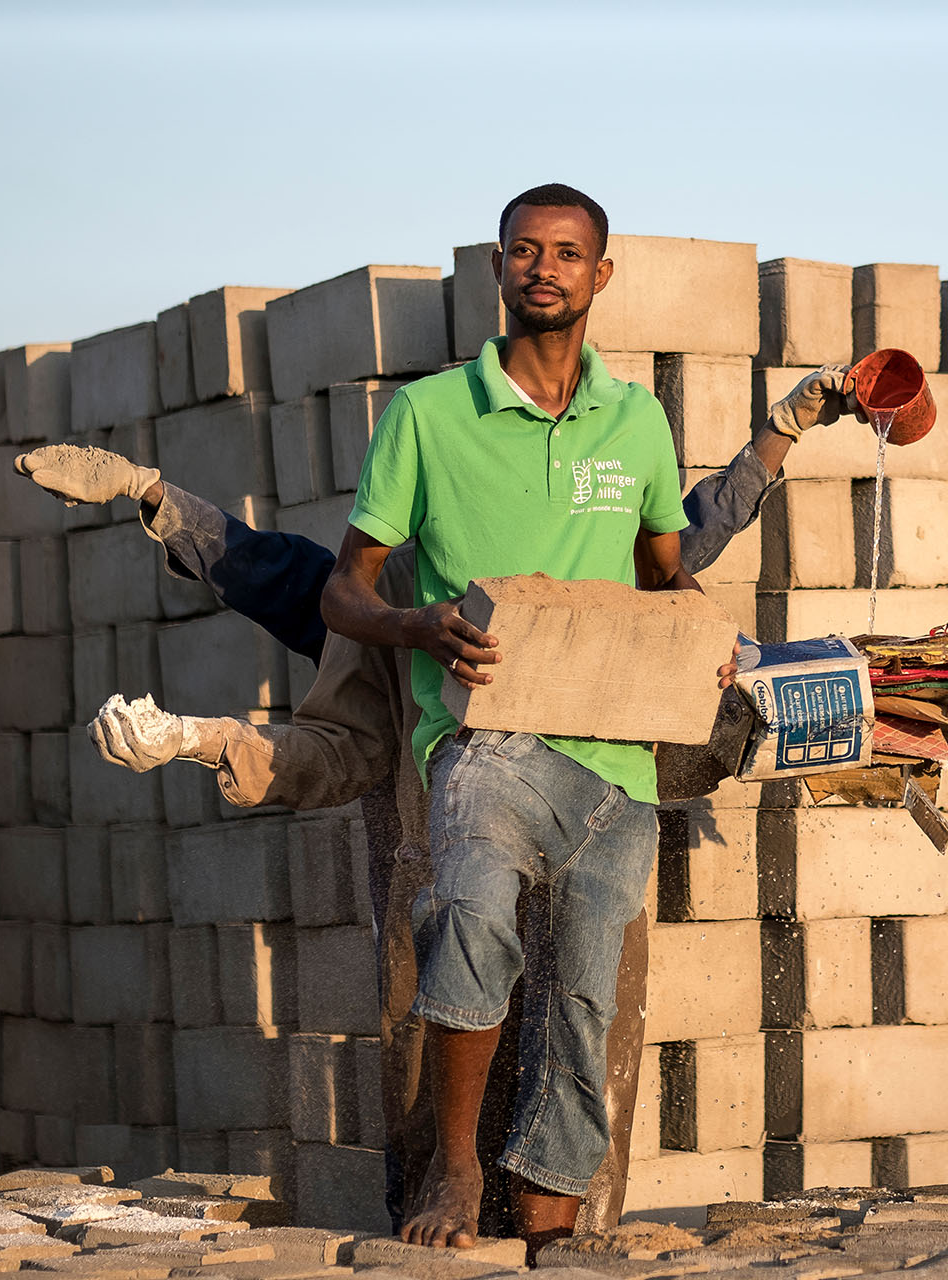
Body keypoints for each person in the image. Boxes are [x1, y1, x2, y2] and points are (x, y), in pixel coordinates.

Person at [20, 197, 864, 1241]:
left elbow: (685, 542)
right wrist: (188, 681)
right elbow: (285, 608)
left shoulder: (600, 502)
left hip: (598, 797)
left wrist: (780, 434)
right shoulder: (401, 591)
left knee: (588, 1043)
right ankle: (447, 1203)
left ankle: (564, 1236)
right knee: (439, 1070)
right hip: (452, 839)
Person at [316, 182, 732, 1253]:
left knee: (585, 998)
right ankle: (454, 1163)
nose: (542, 267)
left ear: (602, 273)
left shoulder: (637, 421)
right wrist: (420, 623)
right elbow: (342, 591)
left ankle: (548, 1210)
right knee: (472, 910)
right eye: (522, 251)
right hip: (485, 733)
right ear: (498, 269)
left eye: (565, 252)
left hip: (617, 760)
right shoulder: (428, 415)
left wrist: (716, 643)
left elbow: (661, 575)